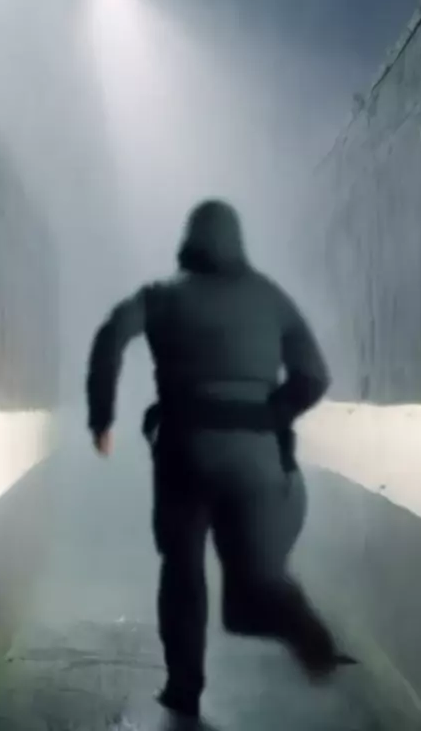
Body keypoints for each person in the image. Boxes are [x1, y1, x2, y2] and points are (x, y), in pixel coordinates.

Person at [86, 199, 355, 721]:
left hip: (182, 452)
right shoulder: (269, 297)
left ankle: (184, 688)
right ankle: (301, 628)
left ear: (188, 242)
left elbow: (111, 335)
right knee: (253, 584)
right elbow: (314, 376)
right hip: (254, 458)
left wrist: (102, 417)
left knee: (182, 571)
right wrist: (272, 414)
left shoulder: (163, 295)